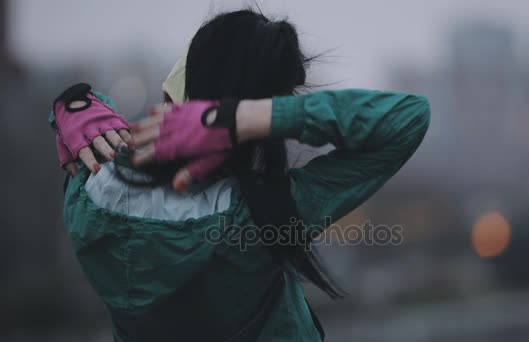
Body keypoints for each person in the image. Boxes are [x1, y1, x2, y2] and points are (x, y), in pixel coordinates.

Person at [50, 9, 430, 342]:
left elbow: (97, 128)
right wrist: (248, 118)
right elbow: (407, 117)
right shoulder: (264, 216)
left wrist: (74, 104)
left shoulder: (88, 193)